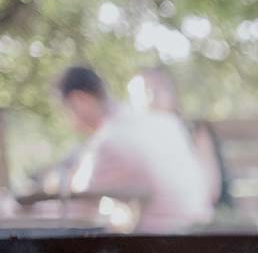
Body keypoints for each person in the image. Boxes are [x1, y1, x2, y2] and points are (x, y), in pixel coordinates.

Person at [56, 65, 212, 232]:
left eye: (67, 112)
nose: (69, 122)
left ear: (79, 100)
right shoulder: (165, 121)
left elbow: (77, 203)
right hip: (199, 230)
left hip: (163, 241)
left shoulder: (110, 140)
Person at [131, 66, 234, 212]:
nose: (151, 97)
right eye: (144, 91)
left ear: (173, 93)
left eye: (158, 88)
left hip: (201, 217)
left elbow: (212, 191)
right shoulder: (135, 137)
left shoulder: (195, 131)